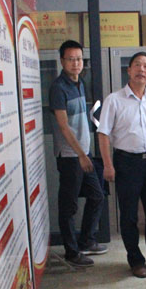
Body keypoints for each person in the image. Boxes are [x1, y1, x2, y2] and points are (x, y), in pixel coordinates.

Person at [97, 52, 146, 278]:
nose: (141, 69)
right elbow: (103, 134)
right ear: (129, 70)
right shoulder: (114, 100)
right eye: (137, 65)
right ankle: (135, 260)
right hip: (126, 163)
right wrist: (108, 165)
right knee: (129, 215)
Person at [48, 40, 106, 267]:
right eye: (71, 59)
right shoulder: (58, 88)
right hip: (70, 156)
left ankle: (86, 241)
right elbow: (63, 126)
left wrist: (85, 152)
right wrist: (81, 154)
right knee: (69, 205)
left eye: (79, 59)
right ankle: (72, 252)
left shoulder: (79, 83)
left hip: (83, 152)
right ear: (62, 61)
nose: (76, 63)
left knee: (97, 196)